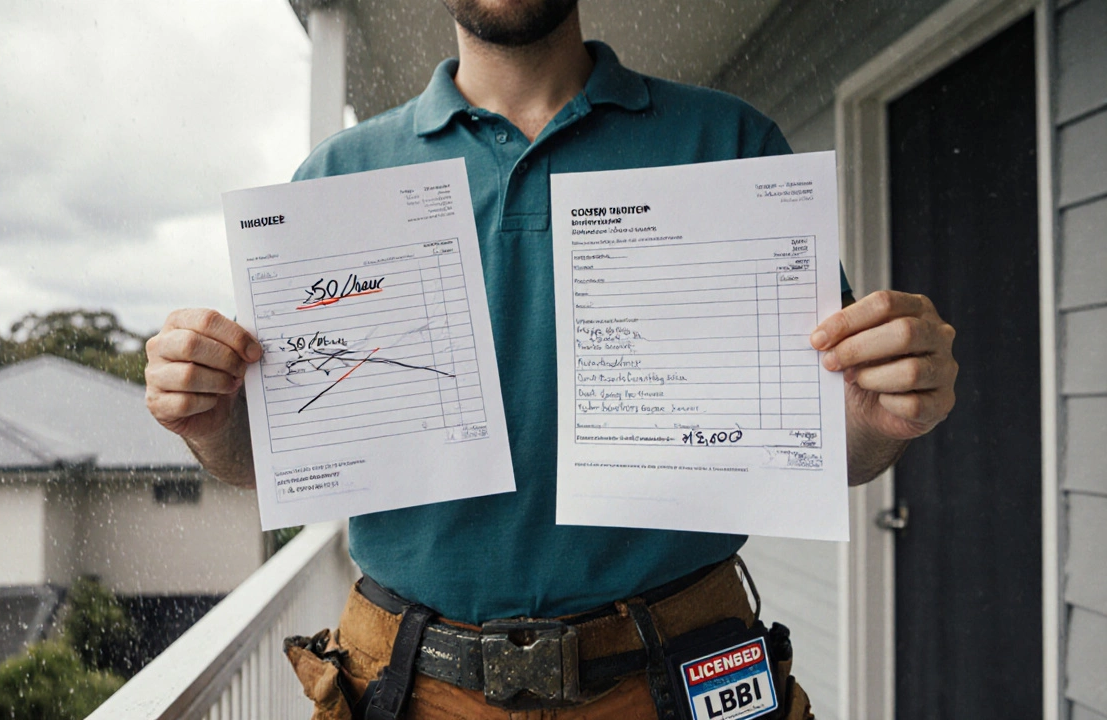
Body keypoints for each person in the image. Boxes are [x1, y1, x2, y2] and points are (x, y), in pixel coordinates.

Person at [145, 1, 958, 717]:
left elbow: (832, 442)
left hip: (681, 676)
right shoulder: (336, 175)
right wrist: (211, 424)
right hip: (407, 687)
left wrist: (880, 418)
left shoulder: (730, 142)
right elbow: (273, 462)